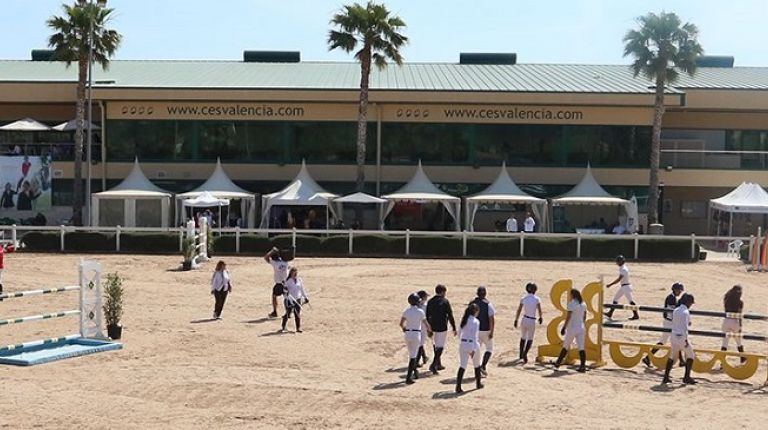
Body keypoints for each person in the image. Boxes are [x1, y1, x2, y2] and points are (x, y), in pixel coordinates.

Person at [643, 282, 685, 367]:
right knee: (674, 340)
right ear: (675, 290)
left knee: (665, 341)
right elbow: (672, 311)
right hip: (669, 322)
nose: (680, 292)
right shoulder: (671, 298)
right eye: (679, 290)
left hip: (669, 322)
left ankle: (648, 358)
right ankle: (681, 361)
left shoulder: (673, 298)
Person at [662, 293, 697, 385]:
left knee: (672, 357)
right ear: (688, 303)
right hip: (682, 336)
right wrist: (686, 340)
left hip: (673, 336)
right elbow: (686, 326)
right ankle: (686, 377)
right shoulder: (686, 312)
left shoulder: (676, 310)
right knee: (691, 355)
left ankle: (666, 377)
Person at [400, 293, 431, 385]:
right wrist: (430, 331)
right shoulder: (420, 312)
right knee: (413, 356)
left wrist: (404, 329)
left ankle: (415, 371)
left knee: (411, 355)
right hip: (416, 333)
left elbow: (401, 324)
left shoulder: (406, 311)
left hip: (408, 333)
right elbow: (426, 324)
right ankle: (409, 377)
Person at [554, 288, 588, 372]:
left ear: (572, 295)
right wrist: (582, 323)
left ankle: (558, 363)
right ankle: (583, 366)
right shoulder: (583, 304)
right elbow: (585, 316)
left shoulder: (571, 304)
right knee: (581, 347)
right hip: (581, 327)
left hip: (572, 327)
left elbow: (568, 317)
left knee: (566, 345)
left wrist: (564, 327)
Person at [426, 284, 456, 375]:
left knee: (435, 345)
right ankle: (434, 364)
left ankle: (438, 363)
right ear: (443, 292)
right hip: (442, 326)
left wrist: (428, 328)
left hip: (432, 326)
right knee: (440, 347)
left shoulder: (430, 301)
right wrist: (454, 327)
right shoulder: (445, 301)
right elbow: (450, 315)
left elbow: (427, 315)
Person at [456, 303, 483, 393]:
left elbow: (459, 333)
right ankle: (478, 384)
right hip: (472, 344)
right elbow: (474, 336)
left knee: (462, 365)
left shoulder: (464, 320)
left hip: (463, 344)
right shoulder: (476, 321)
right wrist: (473, 349)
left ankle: (458, 386)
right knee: (477, 364)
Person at [513, 282, 543, 364]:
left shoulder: (524, 298)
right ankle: (525, 353)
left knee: (523, 337)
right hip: (532, 320)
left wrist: (516, 319)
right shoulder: (537, 299)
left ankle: (520, 354)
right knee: (530, 338)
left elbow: (519, 310)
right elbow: (539, 310)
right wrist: (541, 317)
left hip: (524, 319)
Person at [604, 255, 640, 320]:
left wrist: (610, 284)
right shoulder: (622, 267)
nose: (617, 263)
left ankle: (636, 315)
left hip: (626, 287)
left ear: (621, 262)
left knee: (631, 301)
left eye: (618, 262)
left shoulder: (623, 269)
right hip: (624, 287)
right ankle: (610, 313)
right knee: (615, 299)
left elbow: (618, 279)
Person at [471, 286, 496, 376]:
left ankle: (476, 368)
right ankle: (483, 365)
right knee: (489, 349)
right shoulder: (488, 304)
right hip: (485, 329)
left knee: (476, 350)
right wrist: (492, 331)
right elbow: (491, 319)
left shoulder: (472, 303)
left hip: (475, 330)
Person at [264, 246, 291, 318]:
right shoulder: (285, 262)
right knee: (287, 298)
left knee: (274, 296)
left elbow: (266, 257)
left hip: (279, 283)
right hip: (286, 283)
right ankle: (288, 312)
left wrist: (271, 251)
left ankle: (275, 311)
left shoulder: (274, 263)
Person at [721, 285, 745, 363]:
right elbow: (740, 314)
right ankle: (742, 357)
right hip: (735, 321)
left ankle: (722, 361)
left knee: (725, 342)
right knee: (738, 341)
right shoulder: (740, 302)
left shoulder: (727, 299)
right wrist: (740, 325)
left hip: (726, 321)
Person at [281, 267, 309, 333]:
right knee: (288, 312)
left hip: (298, 299)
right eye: (294, 272)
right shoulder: (288, 281)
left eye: (296, 272)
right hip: (290, 299)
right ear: (291, 273)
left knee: (297, 313)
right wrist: (286, 295)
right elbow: (284, 291)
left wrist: (305, 297)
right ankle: (283, 325)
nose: (295, 274)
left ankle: (298, 328)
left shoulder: (299, 280)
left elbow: (302, 289)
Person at [416, 290, 430, 367]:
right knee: (420, 343)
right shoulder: (425, 306)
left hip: (416, 325)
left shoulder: (416, 305)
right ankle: (417, 361)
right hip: (423, 326)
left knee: (420, 343)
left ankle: (424, 357)